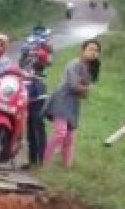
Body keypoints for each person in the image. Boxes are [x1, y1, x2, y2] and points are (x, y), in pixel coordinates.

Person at [43, 39, 101, 169]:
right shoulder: (74, 64)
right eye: (91, 49)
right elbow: (74, 86)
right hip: (61, 100)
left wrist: (84, 88)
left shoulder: (90, 69)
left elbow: (84, 94)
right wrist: (85, 88)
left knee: (70, 137)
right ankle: (44, 163)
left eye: (97, 51)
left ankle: (67, 168)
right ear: (83, 50)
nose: (94, 53)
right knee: (60, 133)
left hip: (73, 104)